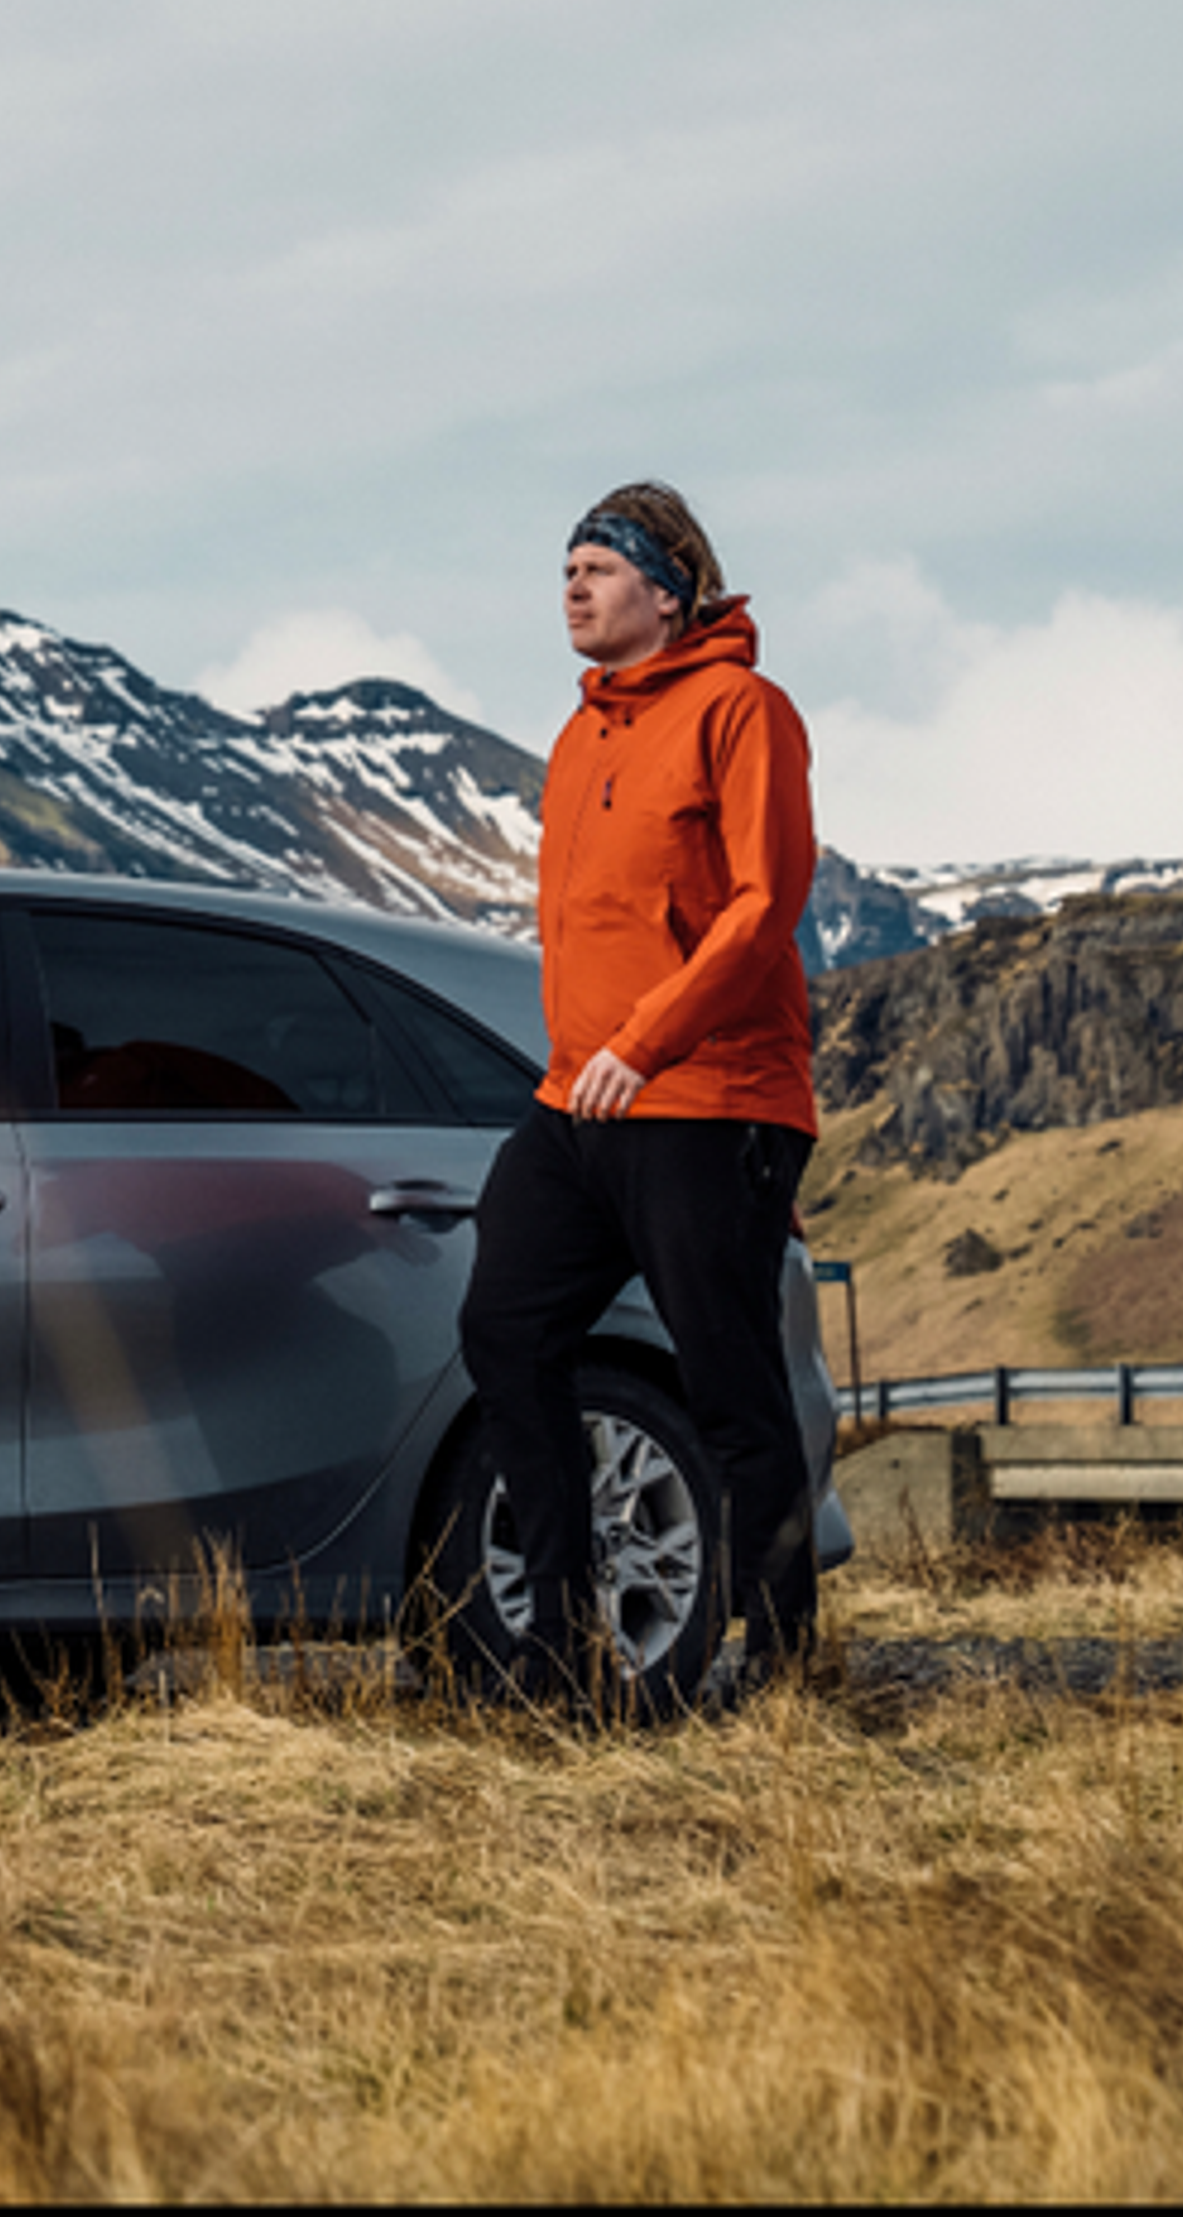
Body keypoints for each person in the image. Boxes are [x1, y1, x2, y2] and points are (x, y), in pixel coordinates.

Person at [455, 479, 821, 1712]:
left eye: (598, 567)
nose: (571, 584)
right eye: (564, 566)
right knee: (505, 1330)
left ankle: (775, 1663)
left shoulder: (742, 709)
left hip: (710, 1096)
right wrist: (590, 1061)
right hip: (583, 1100)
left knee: (729, 1383)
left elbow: (765, 906)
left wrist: (652, 1040)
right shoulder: (580, 735)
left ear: (668, 590)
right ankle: (561, 1646)